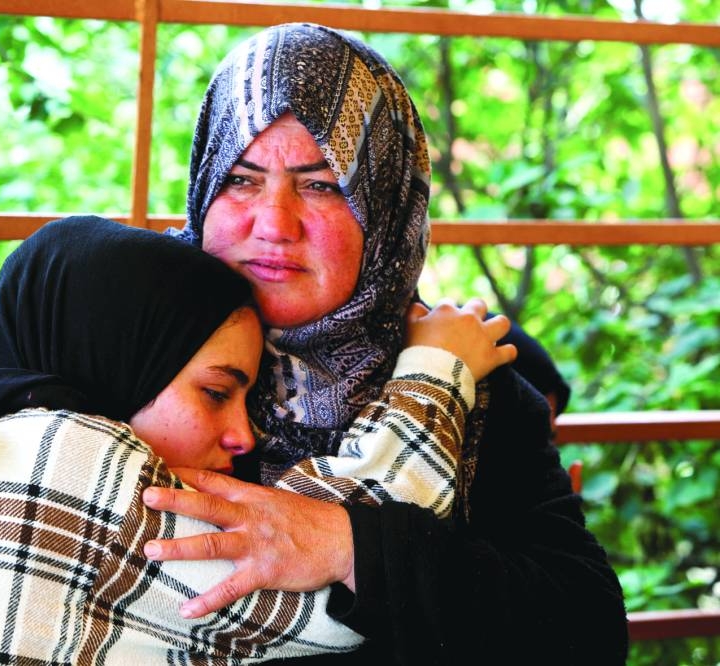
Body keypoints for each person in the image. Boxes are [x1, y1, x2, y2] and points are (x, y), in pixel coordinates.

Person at [0, 215, 513, 665]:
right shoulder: (71, 460)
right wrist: (439, 366)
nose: (242, 434)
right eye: (217, 391)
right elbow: (344, 565)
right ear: (114, 357)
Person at [140, 22, 628, 664]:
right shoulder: (131, 324)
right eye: (241, 178)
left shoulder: (478, 389)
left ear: (387, 205)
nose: (273, 224)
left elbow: (586, 630)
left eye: (323, 185)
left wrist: (349, 545)